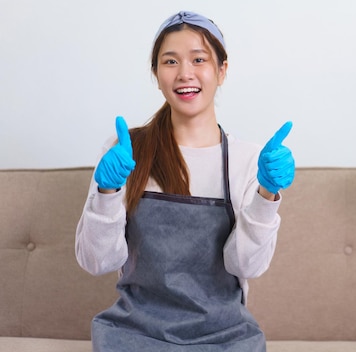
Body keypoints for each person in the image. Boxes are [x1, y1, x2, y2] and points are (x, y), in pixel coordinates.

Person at [75, 10, 294, 352]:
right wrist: (107, 192)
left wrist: (267, 196)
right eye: (170, 61)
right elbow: (97, 261)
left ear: (222, 70)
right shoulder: (126, 152)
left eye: (199, 59)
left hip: (226, 336)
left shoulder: (248, 160)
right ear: (156, 74)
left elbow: (246, 265)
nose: (185, 73)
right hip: (134, 333)